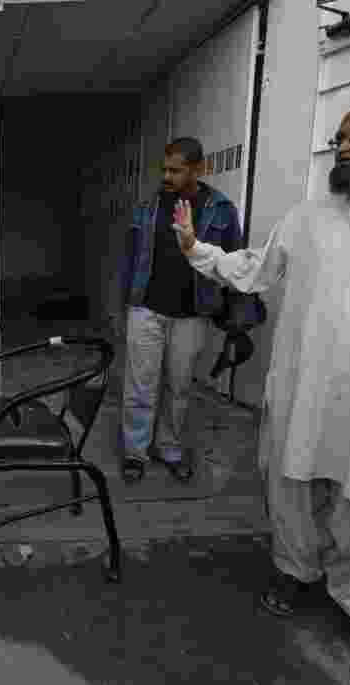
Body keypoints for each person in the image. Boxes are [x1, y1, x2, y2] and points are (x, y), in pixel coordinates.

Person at [172, 89, 350, 659]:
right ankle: (294, 568)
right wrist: (197, 250)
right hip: (307, 384)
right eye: (342, 137)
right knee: (292, 488)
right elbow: (258, 270)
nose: (345, 147)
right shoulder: (307, 216)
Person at [107, 137, 243, 484]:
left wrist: (234, 315)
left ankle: (170, 448)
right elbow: (128, 257)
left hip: (192, 313)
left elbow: (234, 262)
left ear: (199, 169)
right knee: (140, 386)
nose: (166, 176)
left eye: (175, 170)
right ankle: (135, 452)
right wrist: (119, 306)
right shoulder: (148, 205)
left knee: (179, 386)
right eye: (164, 169)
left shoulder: (221, 210)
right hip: (146, 308)